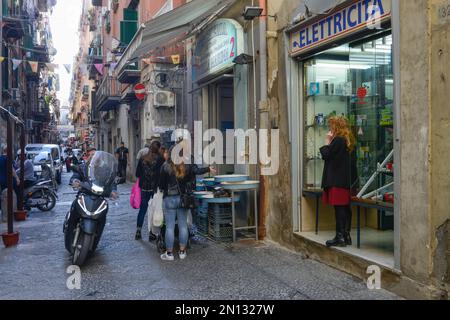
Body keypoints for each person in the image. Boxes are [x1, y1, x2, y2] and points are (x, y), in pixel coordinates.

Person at [158, 140, 215, 261]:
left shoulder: (165, 166)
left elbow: (161, 185)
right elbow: (195, 173)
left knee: (169, 227)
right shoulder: (187, 165)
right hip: (183, 199)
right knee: (183, 226)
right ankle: (182, 251)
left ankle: (169, 254)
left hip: (169, 199)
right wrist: (208, 169)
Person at [320, 116, 356, 248]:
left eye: (331, 126)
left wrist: (327, 141)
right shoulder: (347, 140)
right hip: (345, 180)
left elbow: (326, 154)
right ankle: (346, 236)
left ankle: (340, 237)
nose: (329, 128)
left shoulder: (338, 140)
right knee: (345, 208)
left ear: (336, 127)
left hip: (337, 179)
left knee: (339, 208)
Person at [134, 141, 164, 241]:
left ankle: (138, 231)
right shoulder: (160, 159)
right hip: (155, 189)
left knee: (143, 209)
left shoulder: (143, 158)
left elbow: (137, 174)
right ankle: (152, 233)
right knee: (154, 210)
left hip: (144, 188)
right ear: (158, 149)